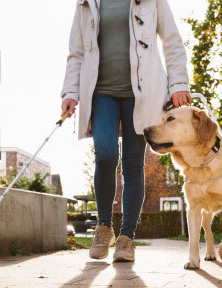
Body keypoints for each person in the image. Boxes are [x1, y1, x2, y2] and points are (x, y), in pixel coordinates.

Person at [61, 0, 192, 262]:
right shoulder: (86, 2)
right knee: (106, 155)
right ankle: (104, 227)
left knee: (133, 164)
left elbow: (172, 40)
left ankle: (127, 238)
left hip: (142, 93)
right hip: (101, 93)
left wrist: (178, 83)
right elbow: (76, 53)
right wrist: (70, 92)